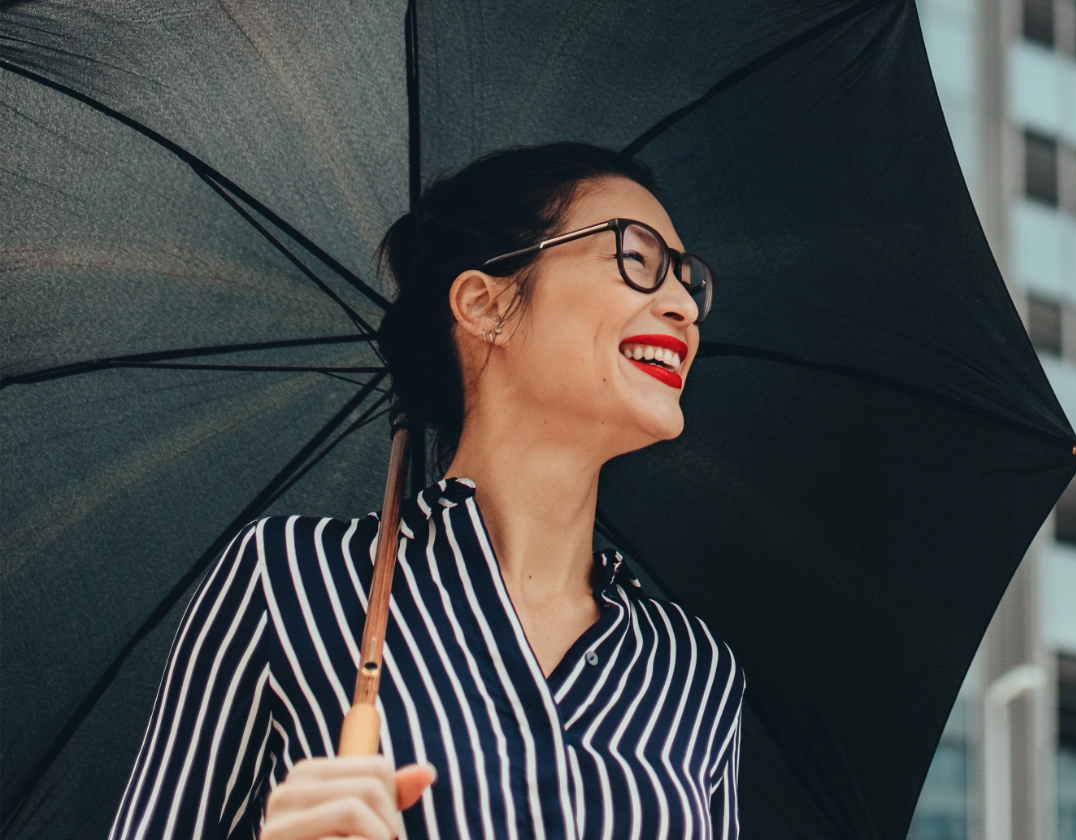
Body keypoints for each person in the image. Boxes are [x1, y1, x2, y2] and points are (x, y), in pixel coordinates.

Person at [108, 143, 741, 840]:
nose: (684, 305)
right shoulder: (289, 581)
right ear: (484, 303)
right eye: (638, 259)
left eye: (688, 280)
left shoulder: (692, 668)